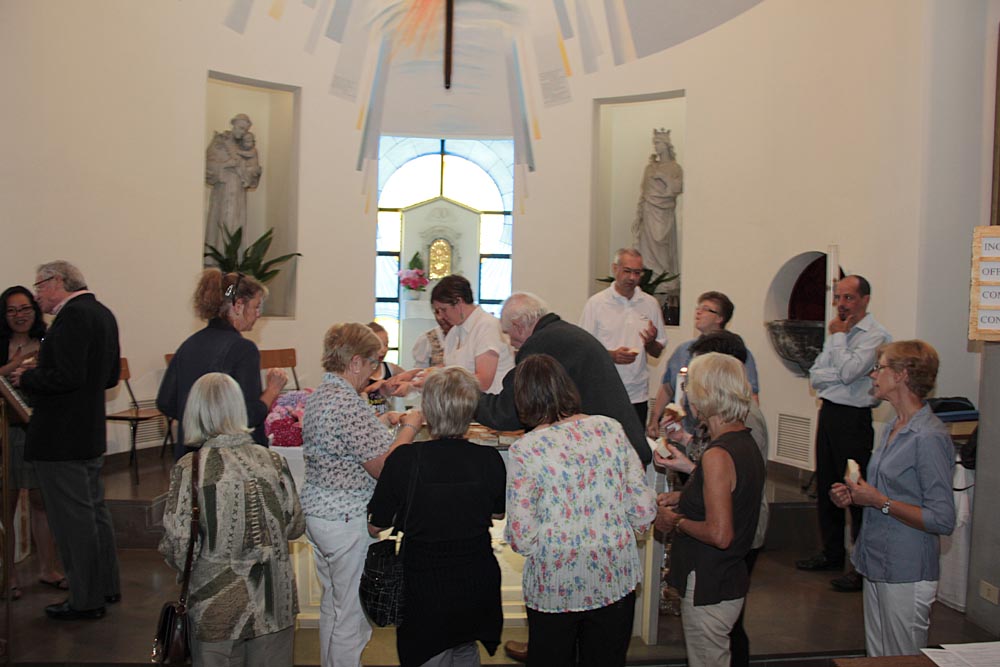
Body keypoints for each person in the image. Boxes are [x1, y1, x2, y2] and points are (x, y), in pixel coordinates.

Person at [505, 354, 656, 667]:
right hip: (614, 574)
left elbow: (522, 537)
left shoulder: (526, 449)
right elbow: (643, 510)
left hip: (555, 582)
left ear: (523, 398)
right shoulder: (611, 429)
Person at [159, 373, 304, 667]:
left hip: (215, 607)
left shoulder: (190, 469)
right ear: (239, 408)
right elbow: (295, 526)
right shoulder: (273, 461)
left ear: (195, 412)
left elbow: (179, 545)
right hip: (274, 601)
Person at [300, 323, 423, 667]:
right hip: (345, 520)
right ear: (355, 362)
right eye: (372, 363)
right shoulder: (346, 403)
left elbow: (347, 443)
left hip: (321, 515)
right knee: (351, 620)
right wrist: (410, 427)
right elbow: (385, 468)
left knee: (334, 607)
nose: (373, 372)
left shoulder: (324, 394)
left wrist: (384, 423)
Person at [368, 367, 506, 667]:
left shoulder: (406, 459)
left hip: (425, 582)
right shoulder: (489, 458)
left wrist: (408, 430)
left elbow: (376, 524)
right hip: (475, 576)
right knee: (465, 648)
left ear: (428, 410)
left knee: (429, 653)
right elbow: (497, 512)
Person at [829, 341, 955, 657]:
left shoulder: (929, 436)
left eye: (880, 367)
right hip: (877, 560)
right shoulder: (892, 426)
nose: (873, 375)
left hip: (906, 568)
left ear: (901, 375)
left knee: (902, 659)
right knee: (878, 658)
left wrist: (879, 501)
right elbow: (888, 492)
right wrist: (854, 495)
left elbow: (942, 519)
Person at [11, 261, 121, 620]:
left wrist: (28, 378)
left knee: (74, 523)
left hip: (61, 438)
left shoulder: (72, 317)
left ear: (57, 281)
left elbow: (68, 377)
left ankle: (85, 599)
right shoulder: (102, 313)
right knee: (94, 515)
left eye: (39, 286)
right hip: (87, 433)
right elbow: (108, 377)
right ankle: (106, 586)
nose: (37, 295)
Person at [653, 331, 768, 667]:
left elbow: (719, 533)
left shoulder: (719, 453)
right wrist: (684, 494)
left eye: (691, 387)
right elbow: (730, 491)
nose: (687, 394)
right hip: (728, 579)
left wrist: (675, 521)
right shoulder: (741, 440)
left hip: (709, 581)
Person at [475, 292, 651, 466]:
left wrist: (469, 399)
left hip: (612, 456)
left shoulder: (542, 344)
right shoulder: (564, 334)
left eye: (507, 333)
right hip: (621, 447)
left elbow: (509, 412)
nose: (510, 342)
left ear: (518, 326)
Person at [798, 275, 891, 593]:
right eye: (838, 297)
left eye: (848, 297)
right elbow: (816, 375)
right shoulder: (838, 330)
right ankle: (831, 552)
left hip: (854, 418)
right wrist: (838, 367)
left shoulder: (875, 335)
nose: (841, 304)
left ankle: (862, 565)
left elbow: (850, 373)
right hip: (830, 412)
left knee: (855, 489)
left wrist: (838, 340)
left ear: (865, 299)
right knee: (827, 483)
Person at [158, 269, 287, 460]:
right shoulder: (243, 349)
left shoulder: (189, 344)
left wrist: (201, 422)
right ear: (238, 305)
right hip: (229, 462)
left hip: (191, 458)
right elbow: (248, 416)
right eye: (256, 306)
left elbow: (165, 402)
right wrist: (273, 390)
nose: (258, 314)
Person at [0, 286, 65, 599]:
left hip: (39, 430)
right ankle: (9, 576)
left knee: (42, 503)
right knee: (6, 505)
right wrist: (14, 365)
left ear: (34, 311)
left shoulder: (47, 340)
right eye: (12, 310)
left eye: (25, 308)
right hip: (5, 432)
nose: (19, 315)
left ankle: (48, 569)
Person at [648, 291, 760, 439]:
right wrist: (654, 418)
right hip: (684, 429)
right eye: (698, 308)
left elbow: (750, 396)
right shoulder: (683, 350)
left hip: (719, 432)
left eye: (706, 309)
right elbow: (668, 387)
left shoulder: (735, 352)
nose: (699, 312)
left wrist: (747, 433)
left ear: (720, 318)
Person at [579, 248, 666, 424]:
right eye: (627, 271)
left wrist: (650, 342)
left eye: (637, 273)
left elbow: (657, 352)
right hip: (603, 393)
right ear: (615, 269)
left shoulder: (650, 304)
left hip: (637, 394)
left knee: (635, 441)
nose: (632, 277)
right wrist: (612, 355)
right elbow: (583, 350)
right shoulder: (596, 304)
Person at [430, 275, 514, 394]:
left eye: (444, 309)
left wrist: (438, 381)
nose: (441, 316)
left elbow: (483, 382)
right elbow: (449, 368)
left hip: (492, 401)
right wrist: (419, 376)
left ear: (458, 302)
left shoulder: (487, 326)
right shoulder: (454, 332)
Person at [632, 128, 683, 283]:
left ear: (667, 145)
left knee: (661, 242)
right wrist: (639, 215)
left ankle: (662, 278)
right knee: (647, 246)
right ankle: (649, 277)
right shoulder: (650, 168)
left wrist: (664, 178)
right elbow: (644, 191)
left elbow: (677, 188)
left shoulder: (675, 167)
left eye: (659, 143)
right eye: (655, 143)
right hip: (648, 210)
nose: (656, 146)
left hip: (663, 212)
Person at [205, 113, 261, 250]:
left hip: (238, 192)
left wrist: (251, 171)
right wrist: (226, 164)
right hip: (222, 188)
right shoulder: (219, 142)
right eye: (240, 128)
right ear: (233, 125)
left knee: (236, 222)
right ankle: (217, 256)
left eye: (245, 129)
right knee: (221, 221)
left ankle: (234, 257)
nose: (242, 132)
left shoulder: (246, 145)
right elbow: (207, 166)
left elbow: (252, 172)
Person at [363, 322, 405, 416]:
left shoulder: (390, 368)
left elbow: (412, 379)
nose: (384, 350)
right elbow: (351, 396)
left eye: (386, 345)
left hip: (387, 422)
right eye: (379, 346)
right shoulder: (359, 372)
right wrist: (371, 388)